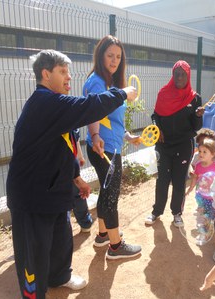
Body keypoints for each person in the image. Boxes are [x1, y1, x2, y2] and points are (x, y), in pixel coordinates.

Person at [6, 49, 137, 299]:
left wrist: (76, 177)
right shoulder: (44, 103)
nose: (69, 77)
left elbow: (64, 144)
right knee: (34, 253)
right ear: (46, 74)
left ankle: (60, 276)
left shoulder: (55, 104)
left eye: (68, 72)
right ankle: (34, 295)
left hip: (54, 189)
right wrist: (122, 94)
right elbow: (90, 106)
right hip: (31, 197)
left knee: (61, 240)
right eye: (62, 72)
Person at [83, 35, 142, 259]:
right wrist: (95, 134)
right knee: (111, 195)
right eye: (110, 55)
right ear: (100, 56)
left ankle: (102, 235)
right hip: (103, 148)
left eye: (118, 56)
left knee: (106, 191)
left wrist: (127, 136)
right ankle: (116, 247)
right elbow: (94, 111)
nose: (114, 60)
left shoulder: (110, 82)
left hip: (110, 145)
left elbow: (112, 119)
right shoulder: (97, 81)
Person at [144, 60, 204, 227]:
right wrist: (158, 129)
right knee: (162, 179)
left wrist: (198, 116)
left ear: (188, 76)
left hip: (184, 145)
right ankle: (156, 211)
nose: (179, 77)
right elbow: (155, 116)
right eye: (176, 73)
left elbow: (196, 127)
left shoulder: (194, 98)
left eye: (182, 74)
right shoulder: (163, 93)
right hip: (164, 144)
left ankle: (177, 212)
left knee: (179, 180)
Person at [185, 138, 215, 244]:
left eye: (204, 152)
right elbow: (195, 178)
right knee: (202, 216)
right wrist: (190, 189)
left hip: (214, 199)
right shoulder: (198, 166)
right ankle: (203, 234)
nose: (201, 154)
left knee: (212, 216)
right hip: (201, 197)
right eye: (200, 151)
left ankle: (211, 229)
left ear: (213, 154)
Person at [72, 129, 93, 233]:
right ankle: (85, 223)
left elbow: (75, 138)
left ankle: (85, 223)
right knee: (78, 195)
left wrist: (80, 156)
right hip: (67, 163)